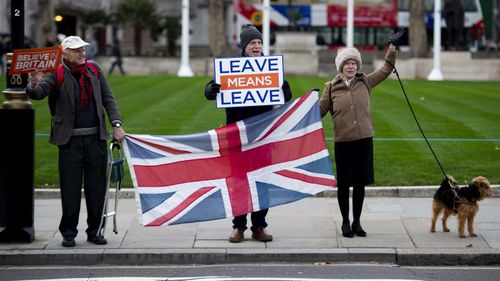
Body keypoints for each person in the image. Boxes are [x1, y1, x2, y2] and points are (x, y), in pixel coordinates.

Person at [26, 35, 126, 247]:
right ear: (66, 53)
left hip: (95, 140)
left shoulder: (95, 69)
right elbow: (38, 94)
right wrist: (34, 82)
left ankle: (95, 231)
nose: (82, 53)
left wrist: (116, 124)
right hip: (69, 141)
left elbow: (108, 98)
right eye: (77, 50)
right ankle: (69, 233)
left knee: (97, 189)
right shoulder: (56, 73)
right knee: (70, 190)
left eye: (83, 49)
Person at [204, 24, 292, 243]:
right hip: (237, 135)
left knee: (262, 182)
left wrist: (284, 87)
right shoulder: (231, 67)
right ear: (244, 46)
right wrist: (211, 88)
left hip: (262, 135)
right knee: (239, 181)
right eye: (253, 42)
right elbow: (210, 90)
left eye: (260, 42)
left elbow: (284, 94)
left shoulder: (270, 68)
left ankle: (259, 226)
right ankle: (239, 226)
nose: (257, 46)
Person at [318, 29, 405, 238]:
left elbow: (386, 69)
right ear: (340, 66)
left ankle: (357, 222)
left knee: (359, 184)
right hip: (343, 142)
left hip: (364, 140)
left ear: (358, 66)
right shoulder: (331, 87)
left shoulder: (366, 80)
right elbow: (319, 112)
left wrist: (392, 48)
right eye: (347, 63)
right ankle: (345, 222)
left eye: (354, 63)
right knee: (344, 185)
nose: (350, 66)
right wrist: (309, 103)